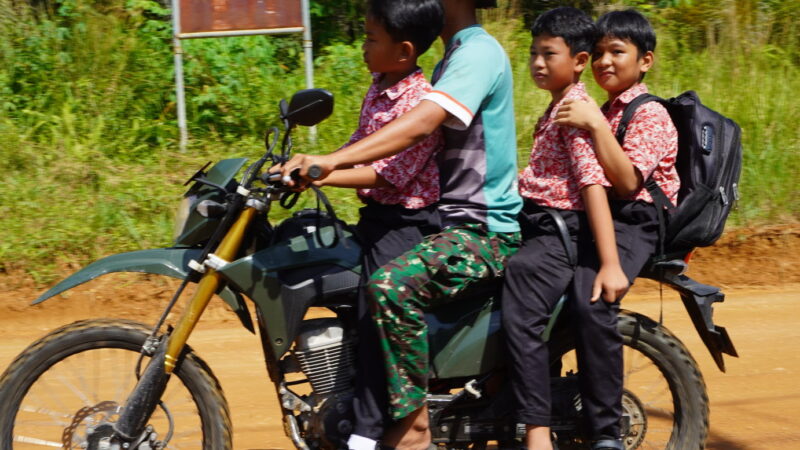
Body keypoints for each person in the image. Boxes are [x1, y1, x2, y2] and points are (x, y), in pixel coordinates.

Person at [276, 1, 523, 448]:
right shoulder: (452, 54)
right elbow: (376, 140)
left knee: (390, 287)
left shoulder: (477, 53)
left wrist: (328, 164)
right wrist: (318, 169)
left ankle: (412, 427)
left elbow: (419, 126)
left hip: (479, 227)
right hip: (451, 218)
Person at [307, 1, 445, 449]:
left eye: (370, 39)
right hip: (376, 217)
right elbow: (359, 145)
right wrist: (311, 166)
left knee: (374, 313)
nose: (362, 47)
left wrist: (321, 172)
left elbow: (387, 173)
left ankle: (365, 433)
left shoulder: (418, 101)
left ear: (404, 51)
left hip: (407, 222)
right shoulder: (380, 83)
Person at [499, 7, 629, 450]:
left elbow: (592, 185)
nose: (537, 62)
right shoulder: (557, 106)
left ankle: (537, 432)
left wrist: (610, 263)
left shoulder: (575, 109)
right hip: (538, 221)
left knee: (521, 312)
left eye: (548, 54)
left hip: (559, 234)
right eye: (533, 52)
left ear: (578, 60)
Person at [552, 9, 680, 449]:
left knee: (592, 301)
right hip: (596, 217)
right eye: (600, 52)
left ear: (645, 60)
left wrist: (593, 124)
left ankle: (606, 432)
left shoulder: (651, 114)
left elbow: (627, 183)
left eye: (618, 52)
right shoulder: (600, 106)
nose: (606, 61)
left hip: (635, 223)